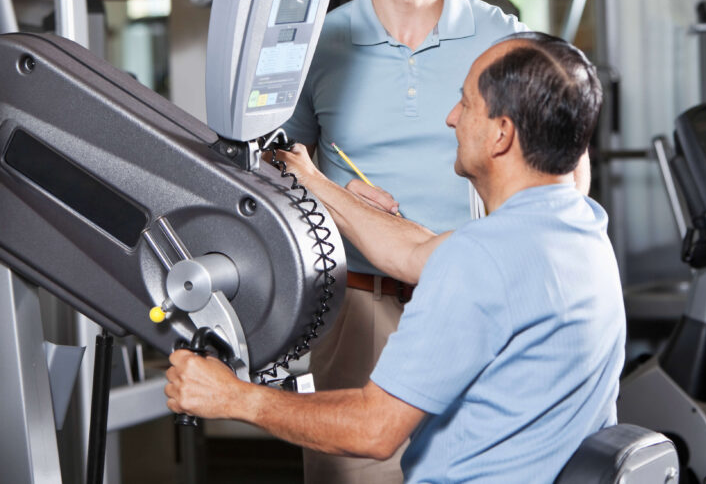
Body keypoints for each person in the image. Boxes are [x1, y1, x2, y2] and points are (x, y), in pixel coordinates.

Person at [165, 34, 625, 483]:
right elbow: (418, 253)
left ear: (501, 134)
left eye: (465, 104)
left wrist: (231, 397)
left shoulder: (479, 261)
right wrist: (311, 181)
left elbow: (374, 430)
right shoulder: (581, 225)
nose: (451, 119)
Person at [282, 0, 528, 482]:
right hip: (360, 308)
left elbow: (553, 162)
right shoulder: (319, 42)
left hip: (475, 306)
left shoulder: (498, 33)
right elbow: (282, 164)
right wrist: (333, 194)